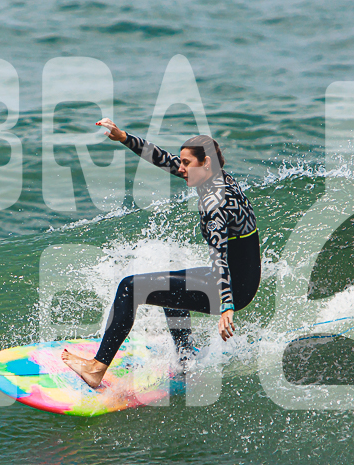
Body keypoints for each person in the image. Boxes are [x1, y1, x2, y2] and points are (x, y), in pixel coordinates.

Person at [61, 118, 261, 389]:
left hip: (232, 286)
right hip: (242, 279)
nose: (180, 168)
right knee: (169, 287)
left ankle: (97, 369)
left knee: (130, 287)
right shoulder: (218, 178)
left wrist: (227, 306)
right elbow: (163, 159)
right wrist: (124, 137)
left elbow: (219, 254)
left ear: (205, 163)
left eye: (186, 163)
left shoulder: (214, 204)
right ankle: (186, 358)